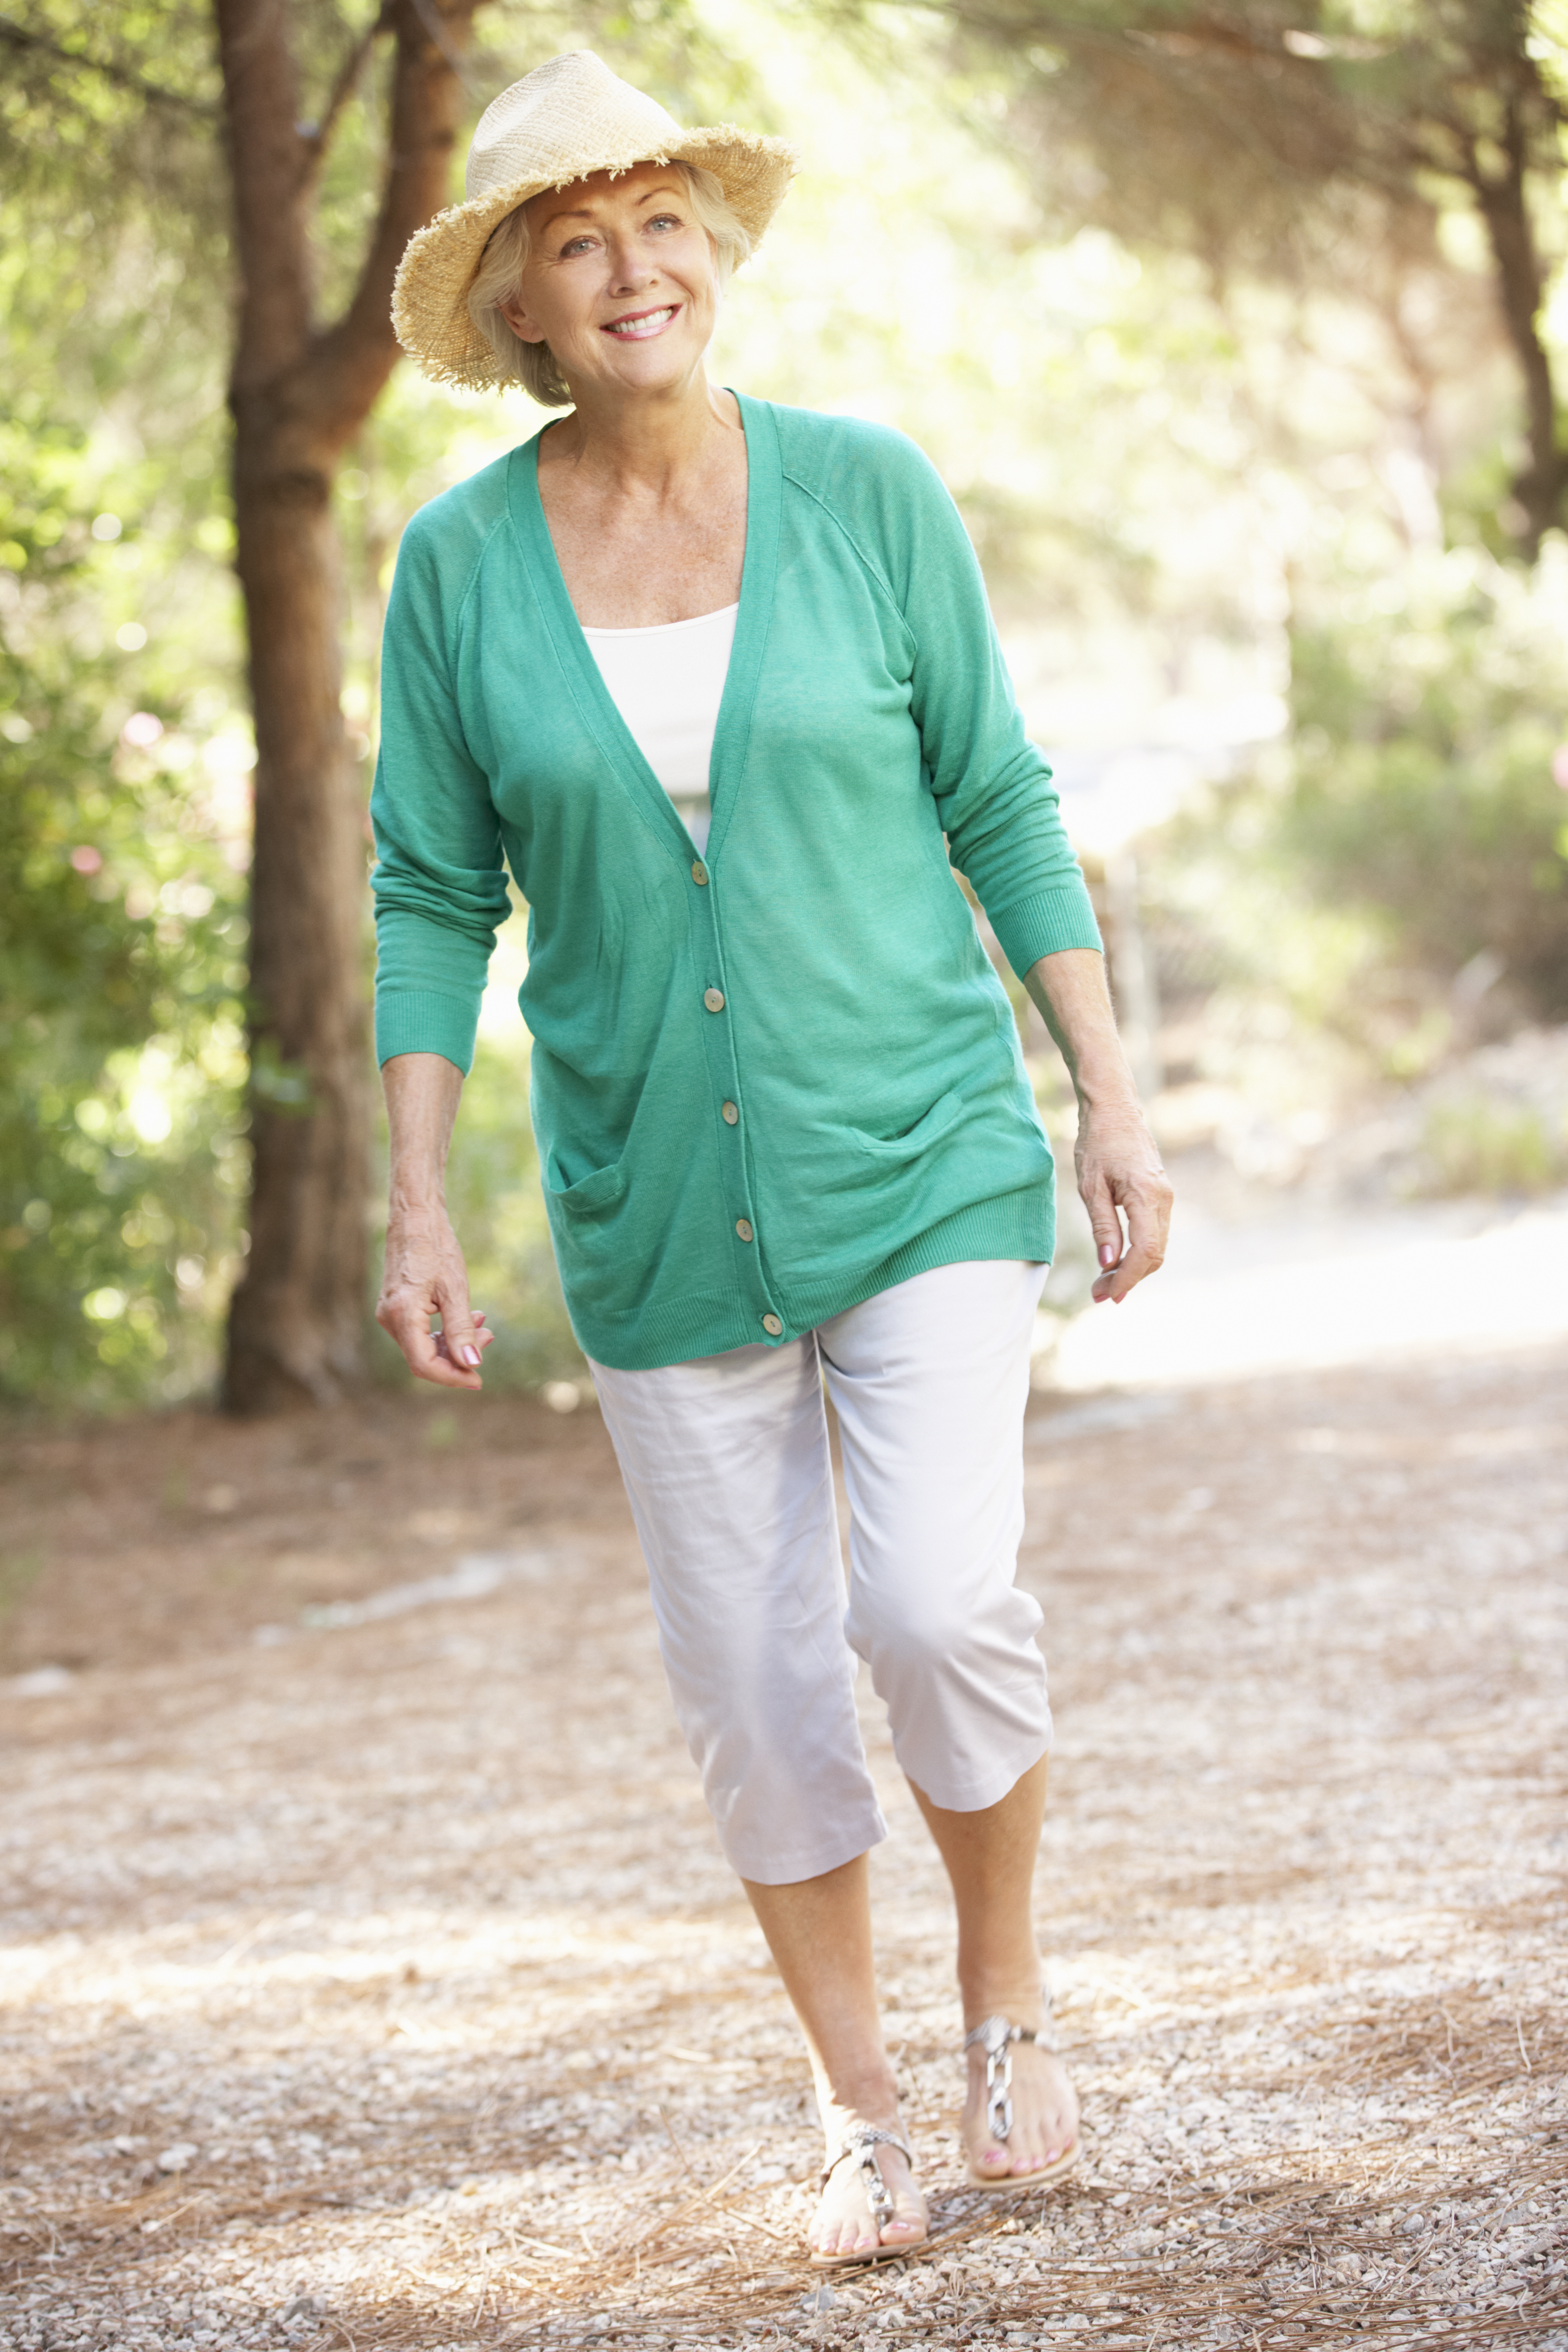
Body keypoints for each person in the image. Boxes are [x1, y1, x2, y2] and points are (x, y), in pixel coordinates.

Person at [373, 49, 1172, 2268]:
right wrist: (420, 1196)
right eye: (575, 236)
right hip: (651, 1197)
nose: (635, 267)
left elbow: (999, 797)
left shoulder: (863, 490)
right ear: (522, 306)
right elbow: (431, 892)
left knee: (930, 1604)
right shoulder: (453, 569)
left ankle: (1005, 1996)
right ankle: (857, 2107)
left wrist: (1104, 1094)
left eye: (660, 221)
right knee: (748, 1684)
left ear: (708, 252)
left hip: (916, 1144)